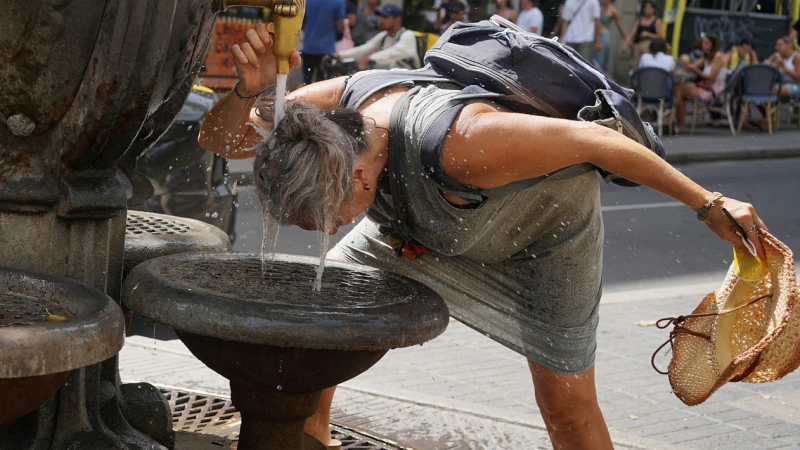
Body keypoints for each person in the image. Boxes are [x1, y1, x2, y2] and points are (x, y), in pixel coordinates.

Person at [207, 23, 767, 449]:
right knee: (319, 341)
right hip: (423, 228)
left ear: (358, 177)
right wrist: (244, 92)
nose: (327, 232)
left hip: (544, 237)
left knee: (566, 408)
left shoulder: (465, 141)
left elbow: (595, 143)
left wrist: (706, 203)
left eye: (327, 218)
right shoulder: (323, 123)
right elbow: (218, 139)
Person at [334, 4, 421, 70]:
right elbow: (364, 49)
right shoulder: (383, 36)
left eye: (386, 17)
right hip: (388, 81)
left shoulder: (408, 35)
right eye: (381, 16)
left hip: (408, 84)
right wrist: (339, 55)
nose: (381, 20)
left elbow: (395, 52)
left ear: (397, 19)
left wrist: (370, 58)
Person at [674, 33, 727, 133]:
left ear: (713, 44)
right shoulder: (706, 56)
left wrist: (695, 69)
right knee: (679, 89)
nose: (703, 45)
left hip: (714, 90)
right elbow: (691, 67)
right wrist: (684, 63)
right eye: (703, 43)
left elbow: (711, 77)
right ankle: (679, 124)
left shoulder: (718, 56)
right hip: (706, 87)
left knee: (679, 89)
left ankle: (676, 121)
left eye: (706, 43)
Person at [301, 0, 345, 83]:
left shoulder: (307, 1)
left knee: (306, 81)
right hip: (327, 49)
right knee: (325, 84)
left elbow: (301, 23)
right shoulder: (338, 2)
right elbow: (340, 27)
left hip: (309, 46)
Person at [622, 1, 662, 66]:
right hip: (638, 44)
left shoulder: (656, 21)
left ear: (653, 9)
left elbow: (660, 36)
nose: (646, 10)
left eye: (649, 8)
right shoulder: (639, 20)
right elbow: (632, 32)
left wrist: (648, 34)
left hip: (649, 45)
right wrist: (626, 44)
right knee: (635, 63)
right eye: (645, 8)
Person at [593, 0, 626, 72]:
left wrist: (626, 40)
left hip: (604, 35)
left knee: (600, 58)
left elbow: (620, 27)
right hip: (595, 34)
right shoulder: (598, 7)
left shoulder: (613, 11)